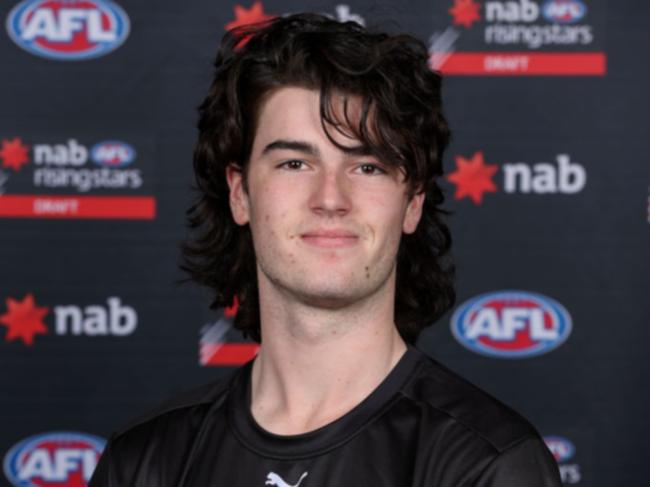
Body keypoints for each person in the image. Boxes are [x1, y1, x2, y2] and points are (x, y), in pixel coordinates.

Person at [90, 13, 561, 487]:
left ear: (413, 202)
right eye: (295, 163)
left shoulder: (487, 465)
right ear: (240, 193)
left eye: (368, 167)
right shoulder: (145, 461)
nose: (331, 198)